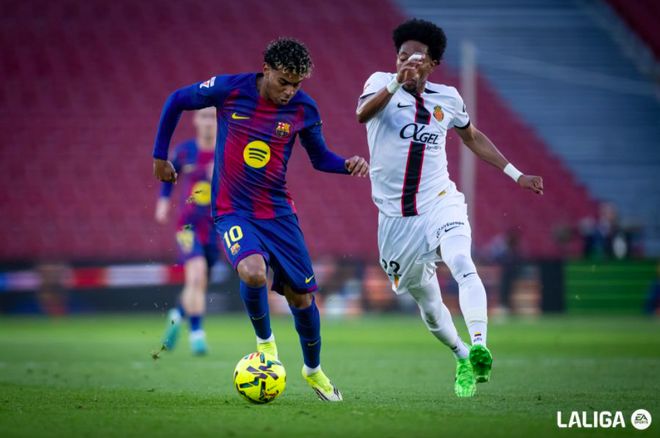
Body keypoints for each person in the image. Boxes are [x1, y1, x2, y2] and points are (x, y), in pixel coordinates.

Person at [152, 38, 369, 401]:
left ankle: (313, 370)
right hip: (232, 210)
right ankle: (266, 347)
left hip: (278, 213)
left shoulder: (303, 108)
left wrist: (346, 164)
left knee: (302, 297)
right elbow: (176, 99)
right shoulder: (230, 89)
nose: (289, 91)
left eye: (296, 84)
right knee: (253, 271)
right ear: (266, 69)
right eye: (284, 82)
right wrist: (160, 157)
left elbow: (320, 158)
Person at [356, 19, 543, 397]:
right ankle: (461, 354)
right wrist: (396, 83)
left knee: (461, 260)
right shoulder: (380, 83)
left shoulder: (448, 98)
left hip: (440, 200)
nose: (407, 63)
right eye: (402, 56)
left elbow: (471, 136)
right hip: (396, 221)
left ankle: (480, 345)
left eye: (416, 58)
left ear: (433, 64)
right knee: (428, 304)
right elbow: (362, 114)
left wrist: (517, 174)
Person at [155, 107, 218, 356]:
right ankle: (197, 335)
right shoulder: (185, 151)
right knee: (196, 275)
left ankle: (176, 316)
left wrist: (221, 176)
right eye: (204, 116)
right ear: (195, 120)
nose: (208, 122)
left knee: (198, 282)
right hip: (187, 226)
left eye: (213, 117)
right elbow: (167, 176)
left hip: (216, 227)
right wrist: (163, 203)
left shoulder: (227, 151)